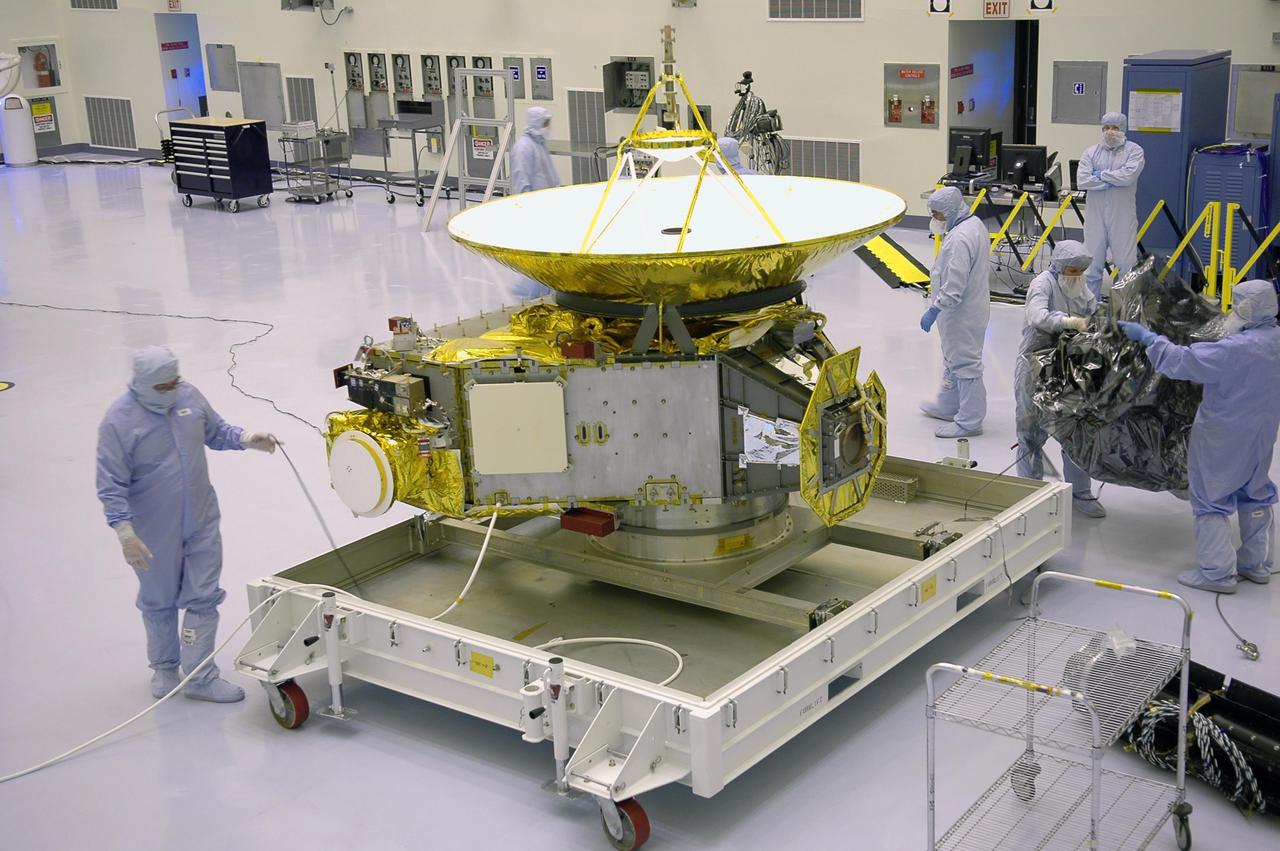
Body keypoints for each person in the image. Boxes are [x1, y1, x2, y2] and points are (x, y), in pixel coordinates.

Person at [96, 346, 281, 701]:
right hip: (152, 530)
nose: (171, 390)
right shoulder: (119, 422)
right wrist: (124, 532)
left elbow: (216, 430)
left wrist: (246, 439)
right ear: (143, 384)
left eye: (174, 382)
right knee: (159, 599)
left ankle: (200, 677)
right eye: (163, 387)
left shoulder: (188, 395)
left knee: (203, 595)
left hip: (201, 518)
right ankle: (164, 668)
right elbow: (110, 483)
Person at [1118, 279, 1280, 592]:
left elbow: (1183, 362)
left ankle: (1217, 573)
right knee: (1255, 492)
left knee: (1211, 498)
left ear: (1248, 308)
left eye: (1237, 305)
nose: (1232, 311)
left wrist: (1149, 338)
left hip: (1224, 434)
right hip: (1262, 433)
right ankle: (1256, 564)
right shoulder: (1275, 340)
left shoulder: (1235, 349)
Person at [1014, 240, 1107, 518]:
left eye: (1081, 271)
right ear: (1058, 267)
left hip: (1069, 367)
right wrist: (1069, 322)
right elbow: (1036, 315)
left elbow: (1093, 310)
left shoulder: (1080, 286)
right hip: (1035, 366)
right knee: (1030, 431)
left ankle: (1081, 493)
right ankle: (1029, 493)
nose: (1077, 276)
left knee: (1076, 431)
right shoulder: (1043, 284)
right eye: (1072, 270)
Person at [919, 186, 991, 438]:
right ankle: (949, 405)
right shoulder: (973, 225)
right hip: (969, 308)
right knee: (953, 360)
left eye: (937, 214)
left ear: (949, 211)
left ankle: (970, 421)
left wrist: (935, 308)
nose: (934, 219)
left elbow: (954, 284)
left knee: (966, 364)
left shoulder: (960, 238)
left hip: (961, 312)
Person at [1076, 112, 1145, 300]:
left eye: (1115, 128)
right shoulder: (1091, 152)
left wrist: (1099, 175)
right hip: (1095, 217)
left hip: (1122, 217)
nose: (1110, 132)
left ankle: (1123, 310)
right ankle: (1090, 307)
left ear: (1123, 129)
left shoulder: (1134, 151)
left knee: (1126, 265)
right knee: (1091, 264)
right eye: (1106, 128)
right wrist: (1113, 179)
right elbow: (1082, 181)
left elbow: (1128, 177)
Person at [510, 106, 559, 195]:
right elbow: (521, 182)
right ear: (536, 123)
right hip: (534, 200)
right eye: (546, 123)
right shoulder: (523, 147)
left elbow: (549, 174)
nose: (548, 127)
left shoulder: (540, 144)